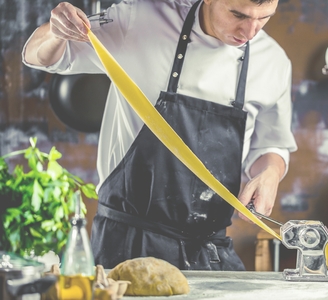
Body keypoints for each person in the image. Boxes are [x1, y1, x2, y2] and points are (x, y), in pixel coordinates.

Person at [22, 0, 297, 271]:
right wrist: (55, 31)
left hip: (208, 251)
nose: (250, 31)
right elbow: (39, 55)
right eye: (238, 14)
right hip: (127, 244)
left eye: (263, 18)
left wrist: (270, 173)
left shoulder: (273, 61)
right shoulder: (139, 20)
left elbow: (272, 143)